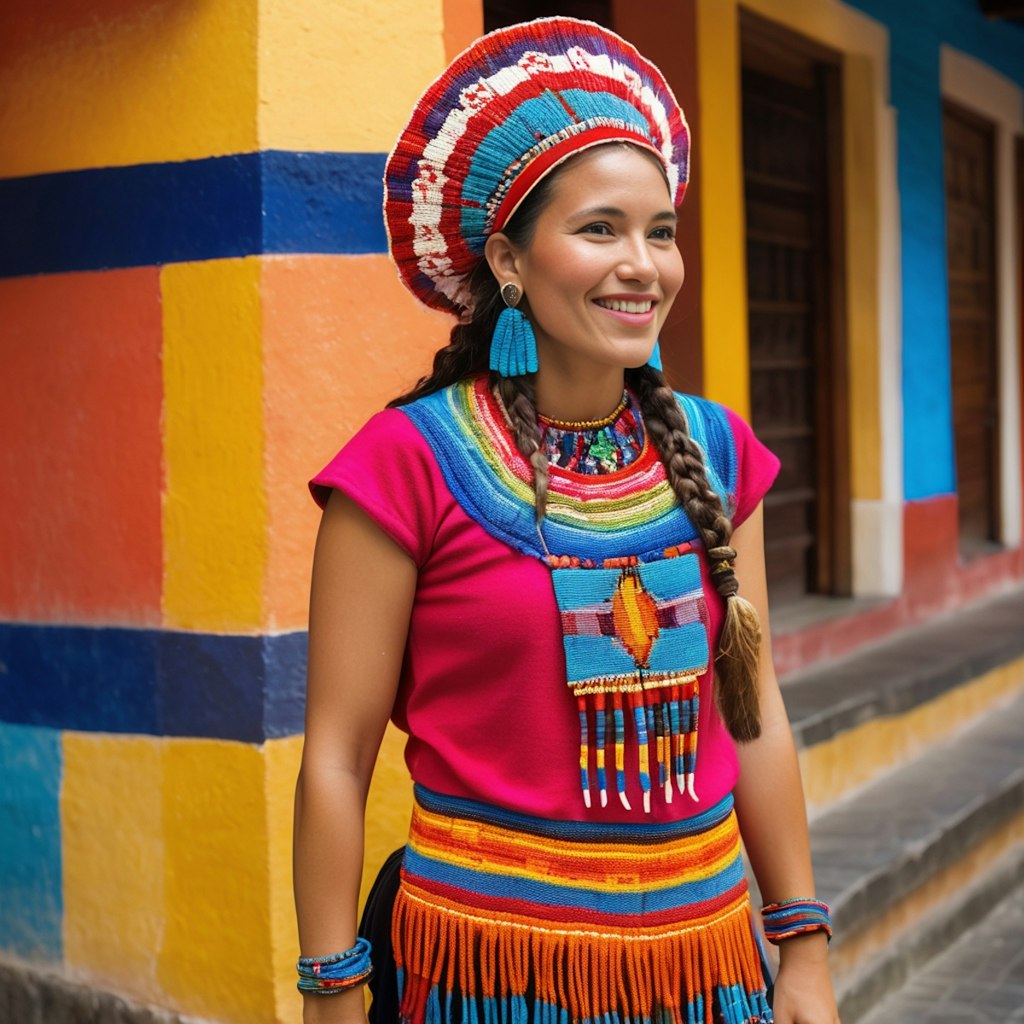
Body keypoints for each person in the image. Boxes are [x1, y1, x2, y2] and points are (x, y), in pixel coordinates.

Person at [293, 17, 840, 1024]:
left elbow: (753, 719)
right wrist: (333, 988)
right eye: (600, 229)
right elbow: (336, 750)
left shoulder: (718, 457)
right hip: (485, 979)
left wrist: (799, 945)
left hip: (705, 974)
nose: (645, 265)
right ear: (509, 258)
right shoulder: (403, 465)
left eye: (661, 232)